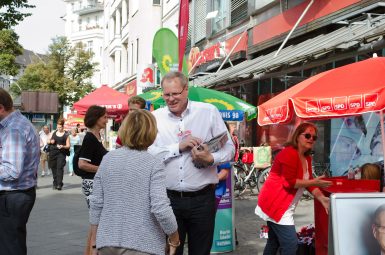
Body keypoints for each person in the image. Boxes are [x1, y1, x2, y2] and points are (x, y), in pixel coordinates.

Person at [149, 71, 235, 255]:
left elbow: (230, 148)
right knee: (171, 252)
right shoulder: (156, 117)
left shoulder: (208, 112)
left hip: (202, 199)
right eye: (166, 94)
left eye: (175, 93)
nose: (171, 99)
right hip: (168, 200)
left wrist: (211, 158)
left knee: (201, 252)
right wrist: (178, 147)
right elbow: (149, 153)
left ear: (186, 90)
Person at [90, 109, 179, 255]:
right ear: (151, 132)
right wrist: (174, 237)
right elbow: (160, 207)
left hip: (107, 242)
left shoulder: (108, 159)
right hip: (142, 244)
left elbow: (96, 203)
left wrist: (94, 242)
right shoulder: (153, 164)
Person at [255, 122, 332, 255]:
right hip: (276, 206)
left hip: (283, 206)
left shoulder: (306, 158)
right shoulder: (289, 153)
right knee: (291, 245)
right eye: (307, 135)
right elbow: (288, 182)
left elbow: (308, 183)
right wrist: (315, 181)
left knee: (274, 242)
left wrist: (321, 198)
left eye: (314, 137)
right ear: (297, 136)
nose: (311, 139)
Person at [0, 88, 40, 255]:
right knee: (10, 243)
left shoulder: (14, 129)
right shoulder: (11, 125)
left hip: (12, 196)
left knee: (9, 247)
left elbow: (11, 170)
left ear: (1, 108)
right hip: (15, 195)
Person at [78, 105, 108, 255]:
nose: (106, 120)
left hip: (95, 183)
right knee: (96, 222)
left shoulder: (97, 137)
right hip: (91, 183)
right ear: (96, 119)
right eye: (104, 117)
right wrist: (103, 169)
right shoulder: (90, 138)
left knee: (95, 223)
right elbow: (82, 164)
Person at [48, 118, 70, 190]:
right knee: (53, 168)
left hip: (61, 153)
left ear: (63, 127)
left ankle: (59, 184)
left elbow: (68, 146)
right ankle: (55, 182)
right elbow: (48, 141)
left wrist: (63, 146)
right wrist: (51, 141)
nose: (59, 128)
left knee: (59, 168)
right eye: (58, 127)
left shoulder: (66, 134)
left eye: (60, 127)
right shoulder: (53, 132)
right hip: (53, 152)